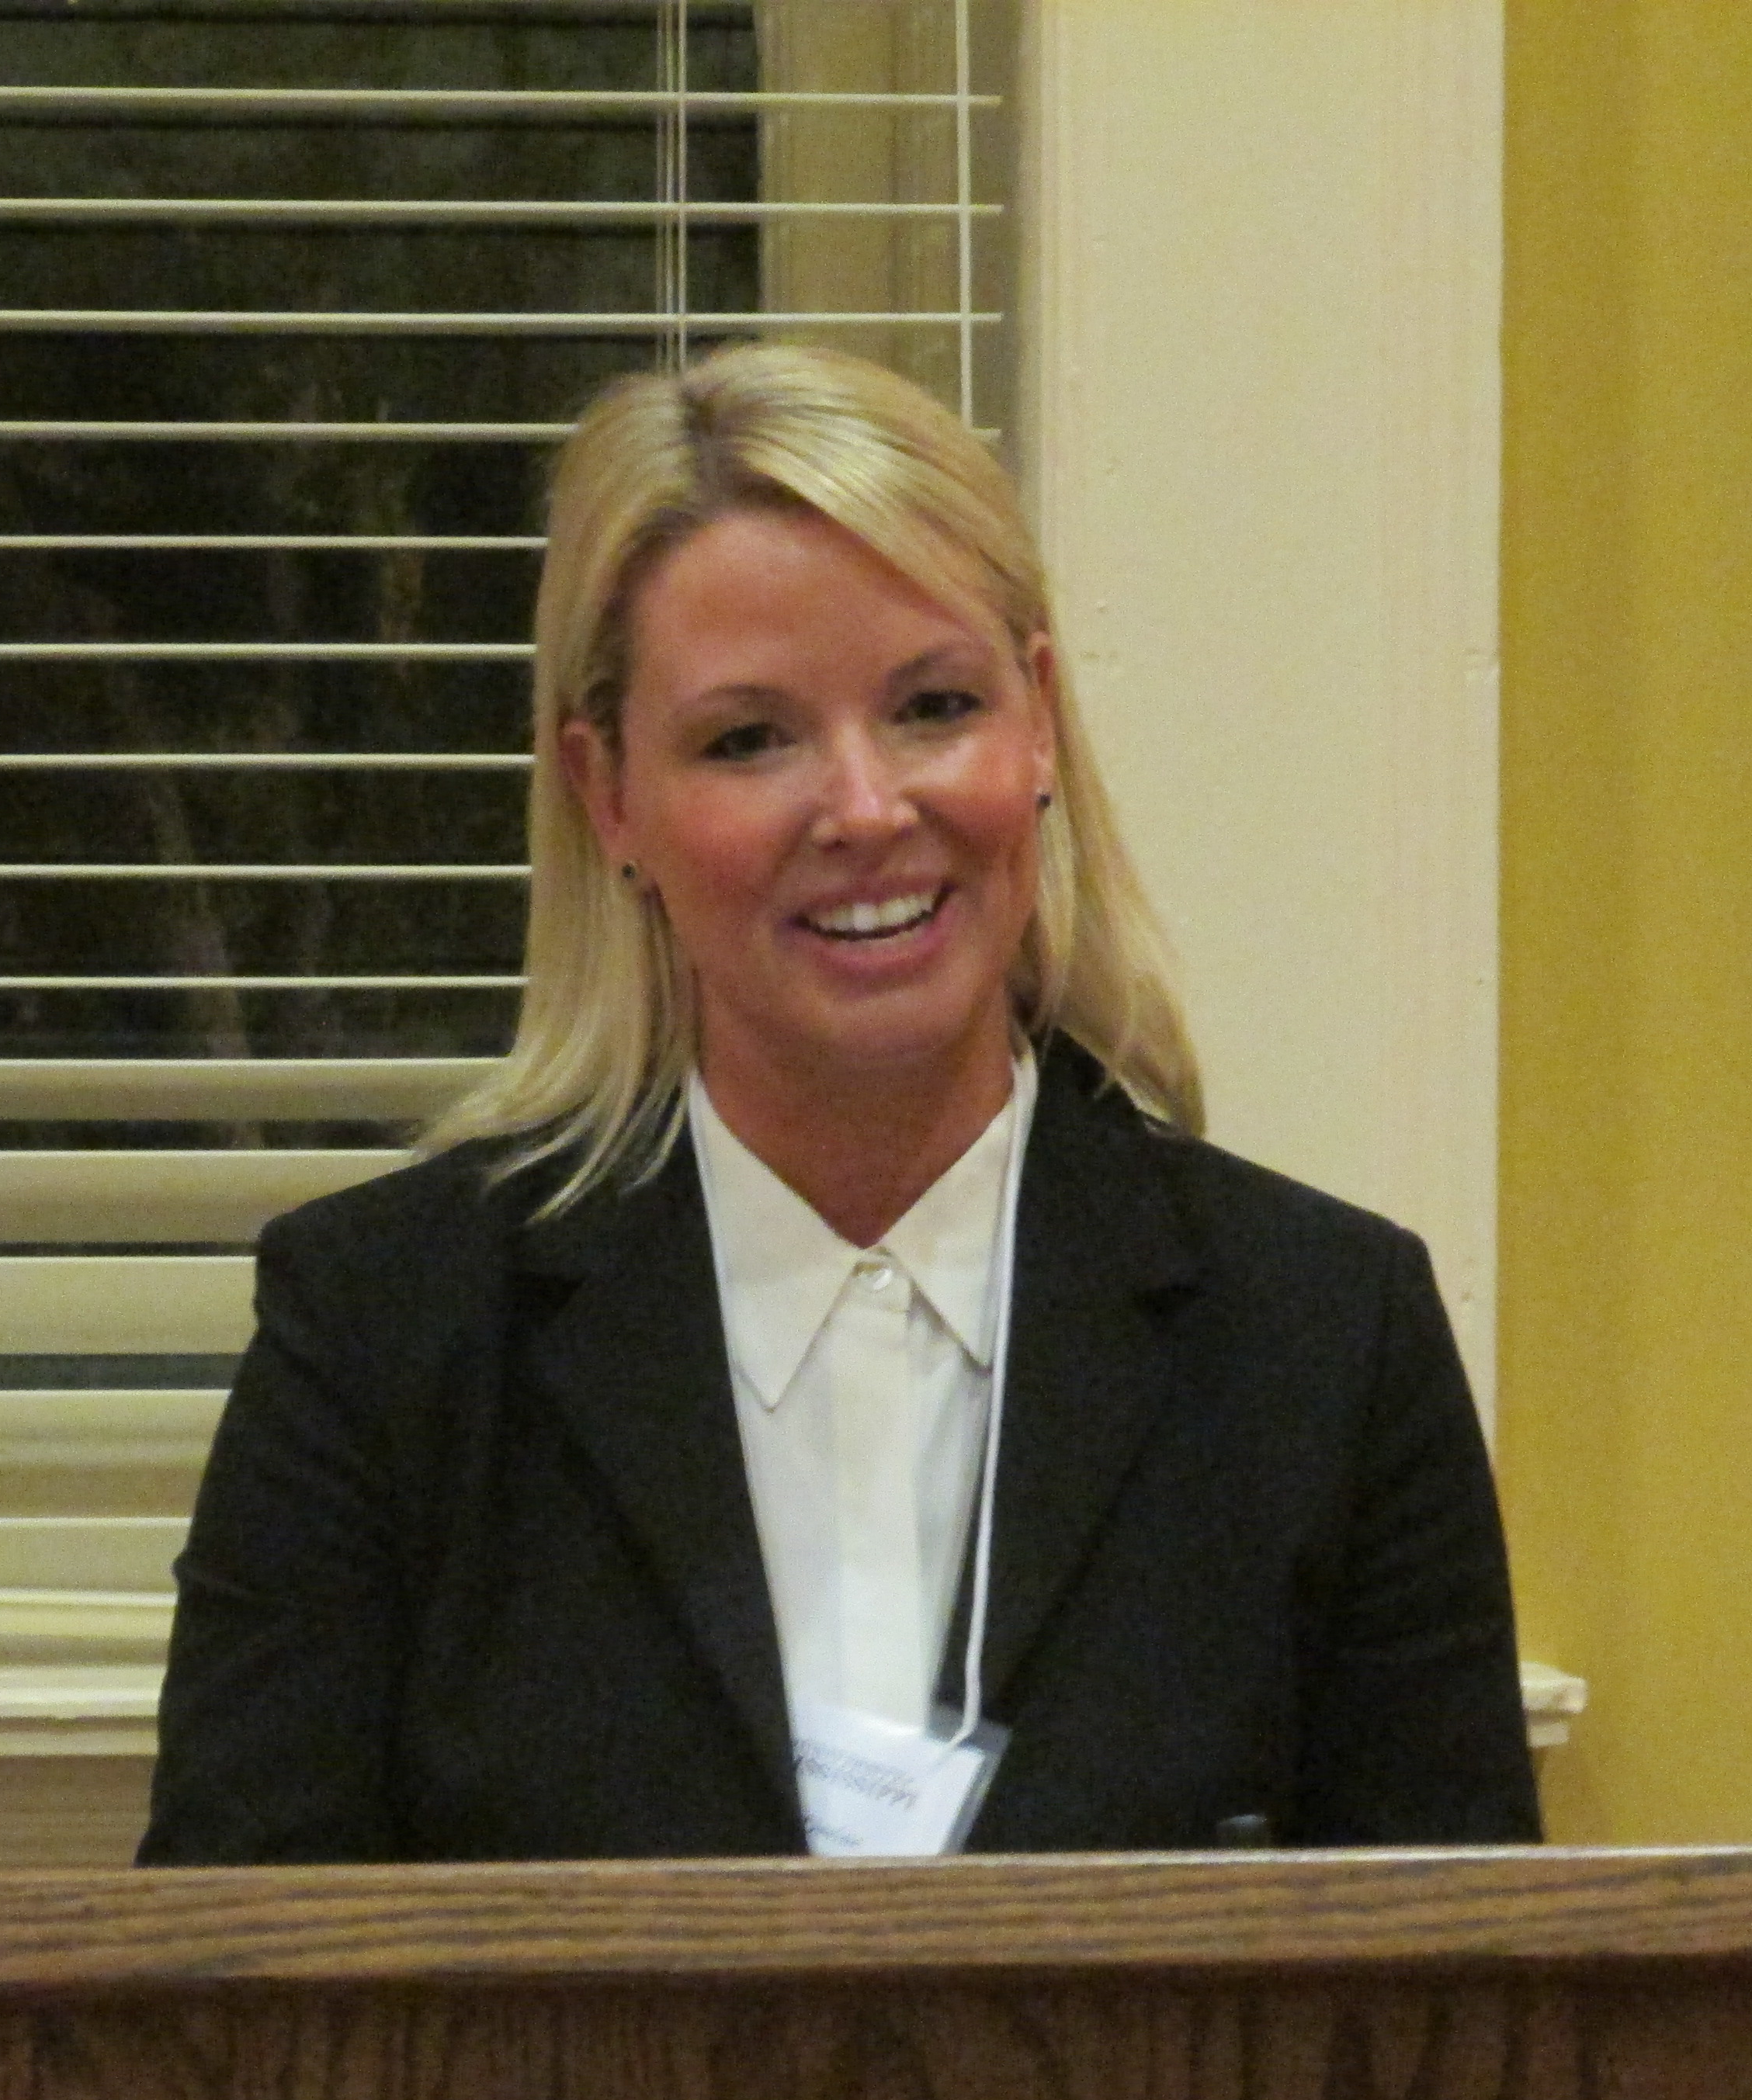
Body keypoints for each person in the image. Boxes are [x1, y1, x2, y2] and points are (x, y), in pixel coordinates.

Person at [137, 341, 1537, 1863]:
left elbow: (1460, 2047)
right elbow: (213, 2038)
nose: (867, 811)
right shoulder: (385, 1341)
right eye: (751, 739)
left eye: (934, 706)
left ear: (1041, 722)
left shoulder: (1329, 1342)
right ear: (609, 796)